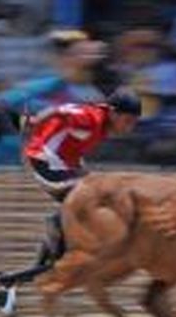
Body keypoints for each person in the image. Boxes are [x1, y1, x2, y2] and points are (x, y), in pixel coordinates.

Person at [24, 89, 142, 266]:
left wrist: (83, 172)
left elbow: (72, 149)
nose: (129, 127)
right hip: (45, 162)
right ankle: (57, 225)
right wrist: (35, 121)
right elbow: (62, 110)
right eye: (127, 121)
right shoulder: (91, 119)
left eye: (133, 123)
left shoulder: (100, 127)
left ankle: (49, 254)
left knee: (96, 192)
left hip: (58, 164)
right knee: (92, 194)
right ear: (112, 112)